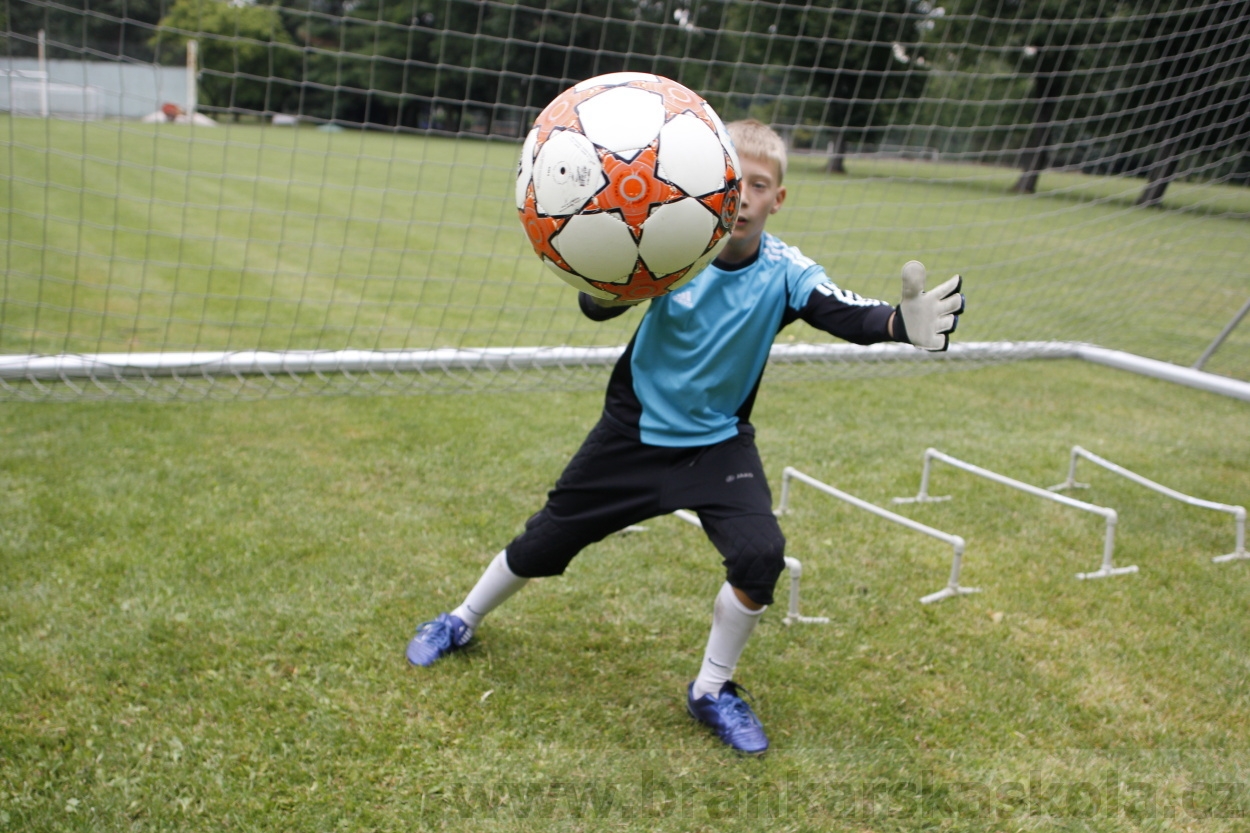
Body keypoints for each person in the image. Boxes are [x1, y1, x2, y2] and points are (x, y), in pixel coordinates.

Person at [406, 118, 964, 755]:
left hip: (716, 444)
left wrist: (900, 322)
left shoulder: (786, 270)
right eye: (737, 184)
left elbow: (845, 311)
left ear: (777, 198)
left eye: (761, 186)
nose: (747, 197)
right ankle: (461, 620)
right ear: (713, 186)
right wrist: (618, 265)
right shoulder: (674, 250)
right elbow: (598, 304)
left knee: (760, 557)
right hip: (633, 435)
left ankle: (711, 690)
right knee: (543, 544)